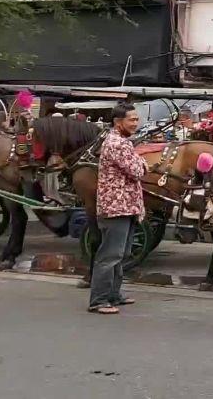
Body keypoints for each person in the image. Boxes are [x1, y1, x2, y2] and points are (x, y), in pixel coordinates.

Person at [90, 104, 147, 314]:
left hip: (126, 206)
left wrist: (139, 162)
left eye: (136, 119)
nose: (135, 123)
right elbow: (138, 170)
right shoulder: (117, 144)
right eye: (131, 120)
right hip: (117, 207)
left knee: (121, 254)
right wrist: (141, 162)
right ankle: (98, 300)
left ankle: (114, 295)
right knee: (110, 255)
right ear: (118, 122)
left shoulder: (122, 142)